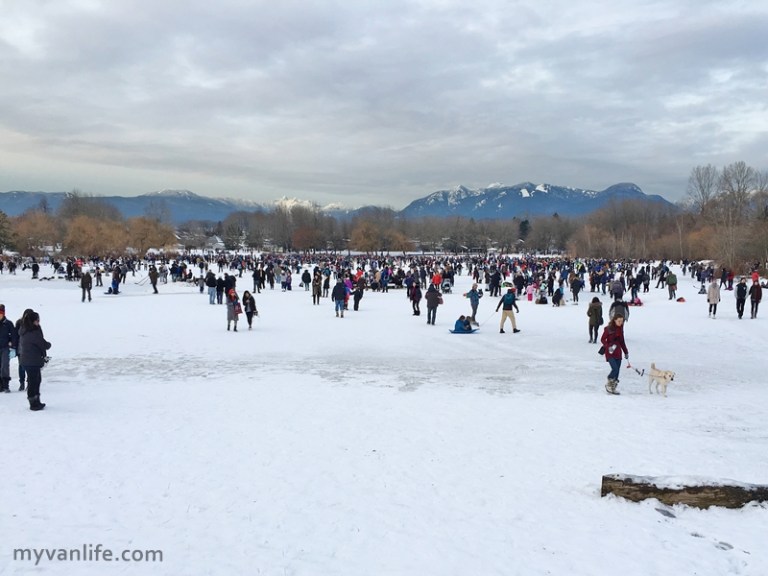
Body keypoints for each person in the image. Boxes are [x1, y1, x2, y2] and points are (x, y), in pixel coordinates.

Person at [18, 310, 51, 411]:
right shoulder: (32, 332)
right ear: (32, 321)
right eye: (37, 320)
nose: (38, 322)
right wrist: (48, 345)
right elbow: (42, 344)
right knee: (34, 382)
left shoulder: (25, 330)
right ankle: (33, 403)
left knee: (36, 380)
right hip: (32, 361)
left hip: (28, 360)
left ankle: (36, 400)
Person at [600, 315, 629, 395]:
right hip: (610, 352)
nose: (620, 322)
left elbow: (622, 342)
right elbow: (602, 339)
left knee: (617, 371)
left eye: (622, 321)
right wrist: (607, 346)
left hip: (618, 352)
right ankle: (609, 381)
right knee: (615, 369)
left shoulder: (620, 330)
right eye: (619, 321)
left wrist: (626, 352)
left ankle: (613, 387)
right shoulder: (608, 329)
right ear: (614, 320)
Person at [0, 304, 19, 393]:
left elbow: (14, 335)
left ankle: (5, 385)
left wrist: (12, 344)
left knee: (4, 366)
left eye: (1, 314)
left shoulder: (8, 324)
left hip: (5, 348)